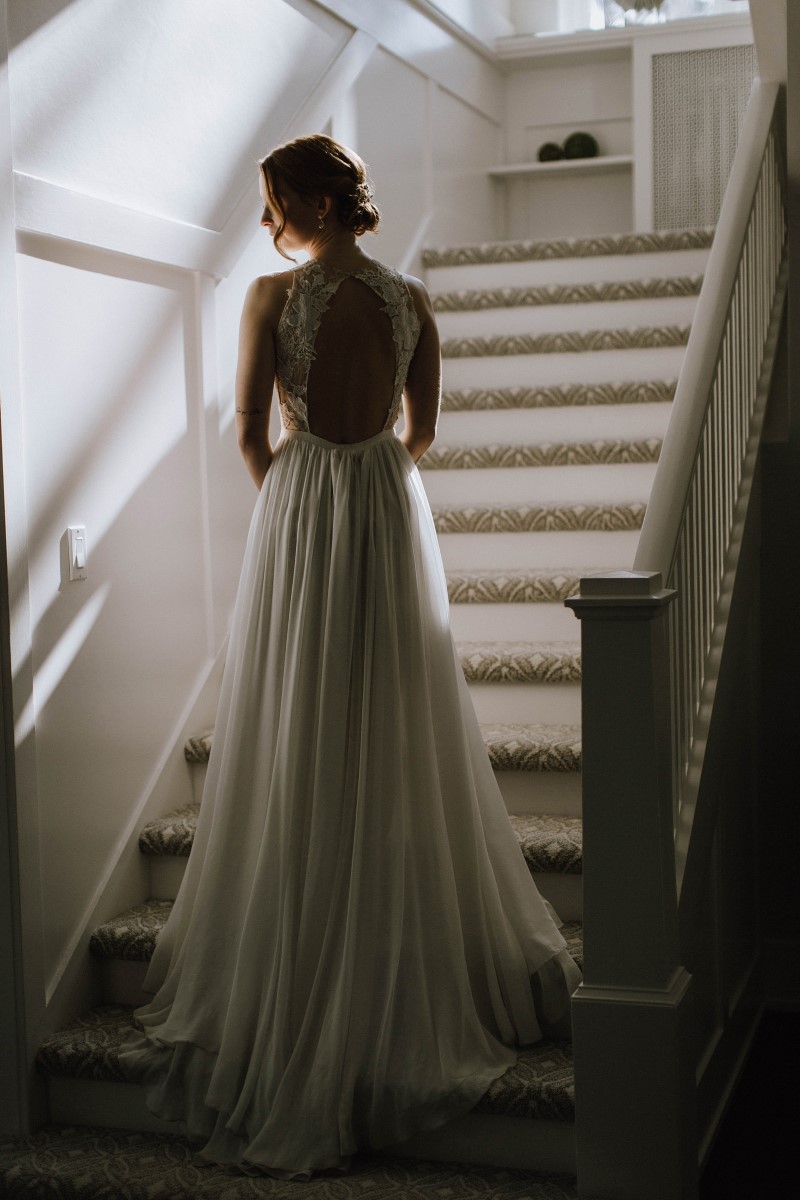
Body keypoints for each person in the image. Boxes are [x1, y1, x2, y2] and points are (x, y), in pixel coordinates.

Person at [119, 134, 582, 1180]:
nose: (265, 221)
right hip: (383, 505)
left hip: (304, 510)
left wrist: (298, 501)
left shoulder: (269, 299)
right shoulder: (415, 300)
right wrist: (368, 481)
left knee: (303, 717)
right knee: (390, 711)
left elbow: (249, 431)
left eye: (273, 201)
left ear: (313, 205)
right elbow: (422, 432)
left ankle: (310, 959)